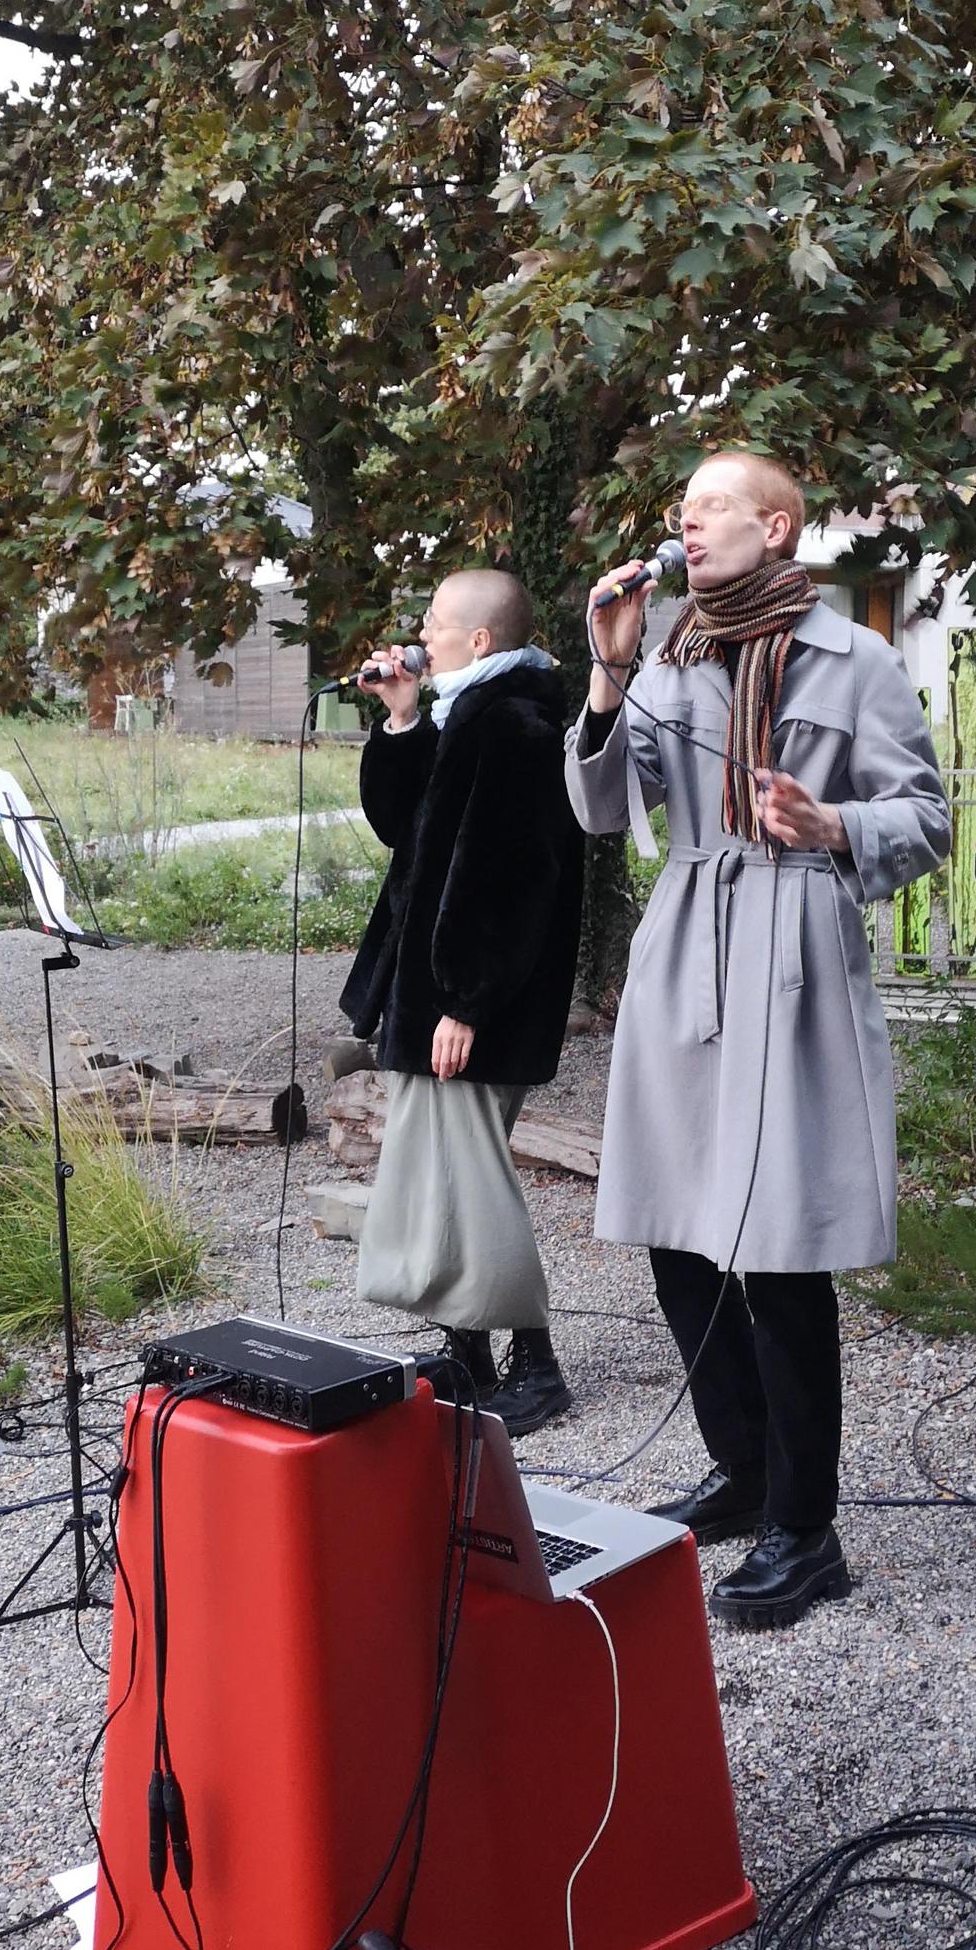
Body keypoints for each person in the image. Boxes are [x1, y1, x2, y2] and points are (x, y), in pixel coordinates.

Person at [567, 455, 950, 1629]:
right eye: (683, 502)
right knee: (674, 1229)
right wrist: (608, 665)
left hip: (792, 935)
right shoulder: (668, 650)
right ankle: (742, 1471)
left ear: (774, 527)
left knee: (779, 1244)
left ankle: (806, 1525)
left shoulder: (857, 657)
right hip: (687, 933)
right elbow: (597, 808)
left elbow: (927, 815)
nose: (686, 513)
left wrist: (834, 820)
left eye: (713, 499)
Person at [341, 569, 586, 1433]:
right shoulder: (463, 713)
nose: (420, 633)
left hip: (474, 999)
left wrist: (467, 1002)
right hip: (437, 995)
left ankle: (538, 1364)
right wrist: (402, 717)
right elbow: (403, 827)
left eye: (435, 622)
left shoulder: (514, 723)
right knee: (442, 1178)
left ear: (479, 639)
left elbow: (511, 877)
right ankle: (469, 1356)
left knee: (473, 1181)